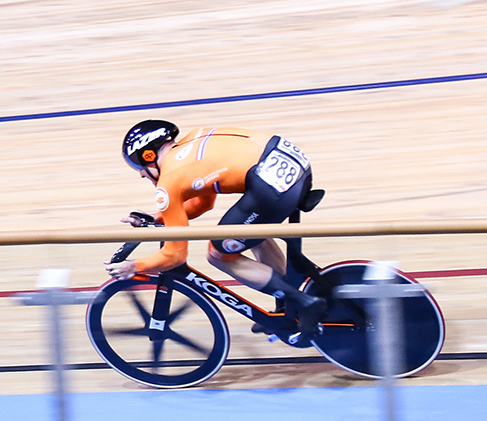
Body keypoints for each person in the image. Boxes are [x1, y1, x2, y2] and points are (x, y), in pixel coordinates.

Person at [108, 121, 327, 345]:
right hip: (291, 161)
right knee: (244, 232)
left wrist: (134, 266)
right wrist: (157, 217)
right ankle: (287, 305)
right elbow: (202, 204)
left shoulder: (169, 181)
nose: (142, 175)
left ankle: (304, 301)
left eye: (139, 167)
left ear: (148, 155)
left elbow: (175, 256)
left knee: (219, 253)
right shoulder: (192, 140)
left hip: (271, 183)